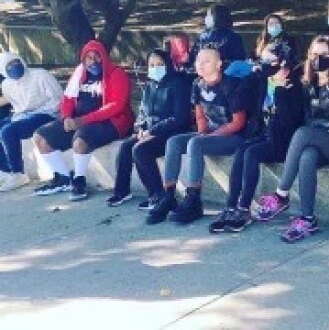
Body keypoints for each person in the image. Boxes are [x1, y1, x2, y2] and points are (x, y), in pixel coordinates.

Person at [253, 36, 329, 243]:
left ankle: (281, 195)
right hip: (317, 140)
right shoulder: (308, 82)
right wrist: (281, 88)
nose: (319, 59)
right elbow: (303, 115)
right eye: (315, 54)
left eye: (324, 55)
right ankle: (307, 218)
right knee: (307, 156)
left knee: (303, 133)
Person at [147, 46, 255, 225]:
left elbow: (238, 122)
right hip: (210, 135)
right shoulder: (197, 84)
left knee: (195, 144)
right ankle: (169, 195)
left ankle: (193, 200)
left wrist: (210, 136)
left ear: (219, 64)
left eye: (206, 61)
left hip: (234, 137)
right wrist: (203, 132)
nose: (201, 65)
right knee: (174, 141)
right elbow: (199, 115)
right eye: (198, 61)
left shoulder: (232, 85)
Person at [208, 55, 305, 233]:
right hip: (263, 136)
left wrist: (280, 92)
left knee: (251, 153)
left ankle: (244, 208)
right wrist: (253, 77)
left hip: (284, 143)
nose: (272, 68)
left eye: (276, 63)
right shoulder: (262, 83)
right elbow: (238, 103)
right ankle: (231, 206)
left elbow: (289, 120)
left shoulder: (294, 87)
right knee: (241, 150)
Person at [32, 40, 133, 201]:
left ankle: (79, 180)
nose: (93, 62)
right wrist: (67, 118)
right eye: (89, 58)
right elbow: (68, 99)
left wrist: (83, 121)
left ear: (104, 57)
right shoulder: (79, 73)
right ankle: (63, 178)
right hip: (79, 119)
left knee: (80, 140)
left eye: (97, 57)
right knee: (41, 137)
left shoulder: (116, 74)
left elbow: (117, 105)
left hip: (109, 121)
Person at [106, 49, 192, 209]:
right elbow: (142, 113)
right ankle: (121, 191)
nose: (155, 68)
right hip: (149, 132)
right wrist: (140, 128)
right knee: (126, 147)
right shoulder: (149, 86)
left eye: (160, 64)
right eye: (152, 65)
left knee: (141, 150)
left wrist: (152, 131)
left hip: (171, 132)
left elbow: (180, 118)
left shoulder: (178, 85)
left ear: (168, 65)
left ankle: (159, 195)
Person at [0, 52, 63, 192]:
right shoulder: (7, 85)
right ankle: (5, 171)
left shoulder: (40, 75)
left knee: (8, 131)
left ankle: (18, 173)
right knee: (3, 127)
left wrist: (32, 113)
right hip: (23, 116)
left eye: (16, 62)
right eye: (9, 65)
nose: (14, 67)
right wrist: (21, 115)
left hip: (48, 114)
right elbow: (18, 106)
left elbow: (58, 101)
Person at [187, 4, 247, 69]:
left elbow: (238, 61)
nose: (206, 18)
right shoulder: (203, 36)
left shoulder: (232, 38)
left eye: (208, 15)